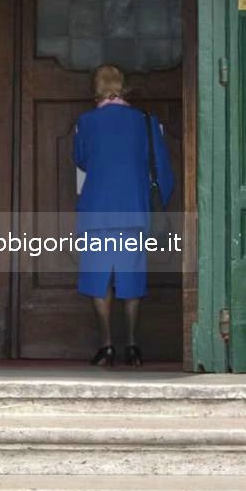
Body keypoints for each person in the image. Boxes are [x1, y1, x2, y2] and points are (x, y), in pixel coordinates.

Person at [73, 64, 174, 367]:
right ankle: (132, 345)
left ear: (96, 88)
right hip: (133, 211)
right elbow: (163, 171)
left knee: (99, 279)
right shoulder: (145, 121)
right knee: (131, 280)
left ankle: (106, 346)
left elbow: (80, 160)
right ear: (125, 86)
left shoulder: (87, 122)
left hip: (97, 211)